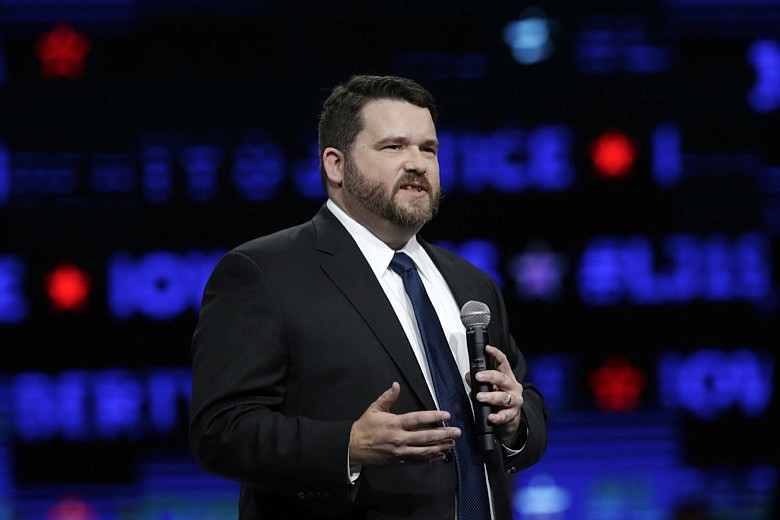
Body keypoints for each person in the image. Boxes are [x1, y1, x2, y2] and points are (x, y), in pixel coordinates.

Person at [189, 74, 548, 519]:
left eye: (428, 149)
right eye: (394, 147)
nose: (417, 163)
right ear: (336, 165)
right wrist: (348, 446)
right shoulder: (264, 273)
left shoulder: (471, 284)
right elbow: (220, 431)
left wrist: (515, 420)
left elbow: (527, 407)